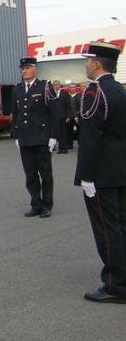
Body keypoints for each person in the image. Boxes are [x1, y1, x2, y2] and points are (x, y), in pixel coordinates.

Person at [75, 42, 126, 303]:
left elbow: (91, 139)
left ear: (96, 64)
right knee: (121, 226)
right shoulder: (119, 90)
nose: (86, 65)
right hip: (120, 170)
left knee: (107, 230)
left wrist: (86, 176)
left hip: (102, 174)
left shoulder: (94, 93)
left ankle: (115, 286)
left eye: (88, 61)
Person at [10, 57, 59, 218]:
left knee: (45, 173)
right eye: (22, 68)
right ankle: (36, 203)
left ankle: (47, 205)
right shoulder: (17, 90)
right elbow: (15, 114)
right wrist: (16, 135)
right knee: (30, 174)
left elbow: (54, 114)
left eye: (27, 67)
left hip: (42, 138)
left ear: (35, 69)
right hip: (25, 138)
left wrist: (53, 137)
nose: (24, 71)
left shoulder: (45, 87)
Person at [51, 80, 70, 154]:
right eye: (54, 85)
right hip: (55, 117)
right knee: (58, 133)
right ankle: (60, 148)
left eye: (57, 84)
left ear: (60, 85)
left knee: (64, 133)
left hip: (63, 116)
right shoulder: (51, 95)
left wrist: (68, 116)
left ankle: (65, 148)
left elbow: (68, 106)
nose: (56, 86)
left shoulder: (64, 94)